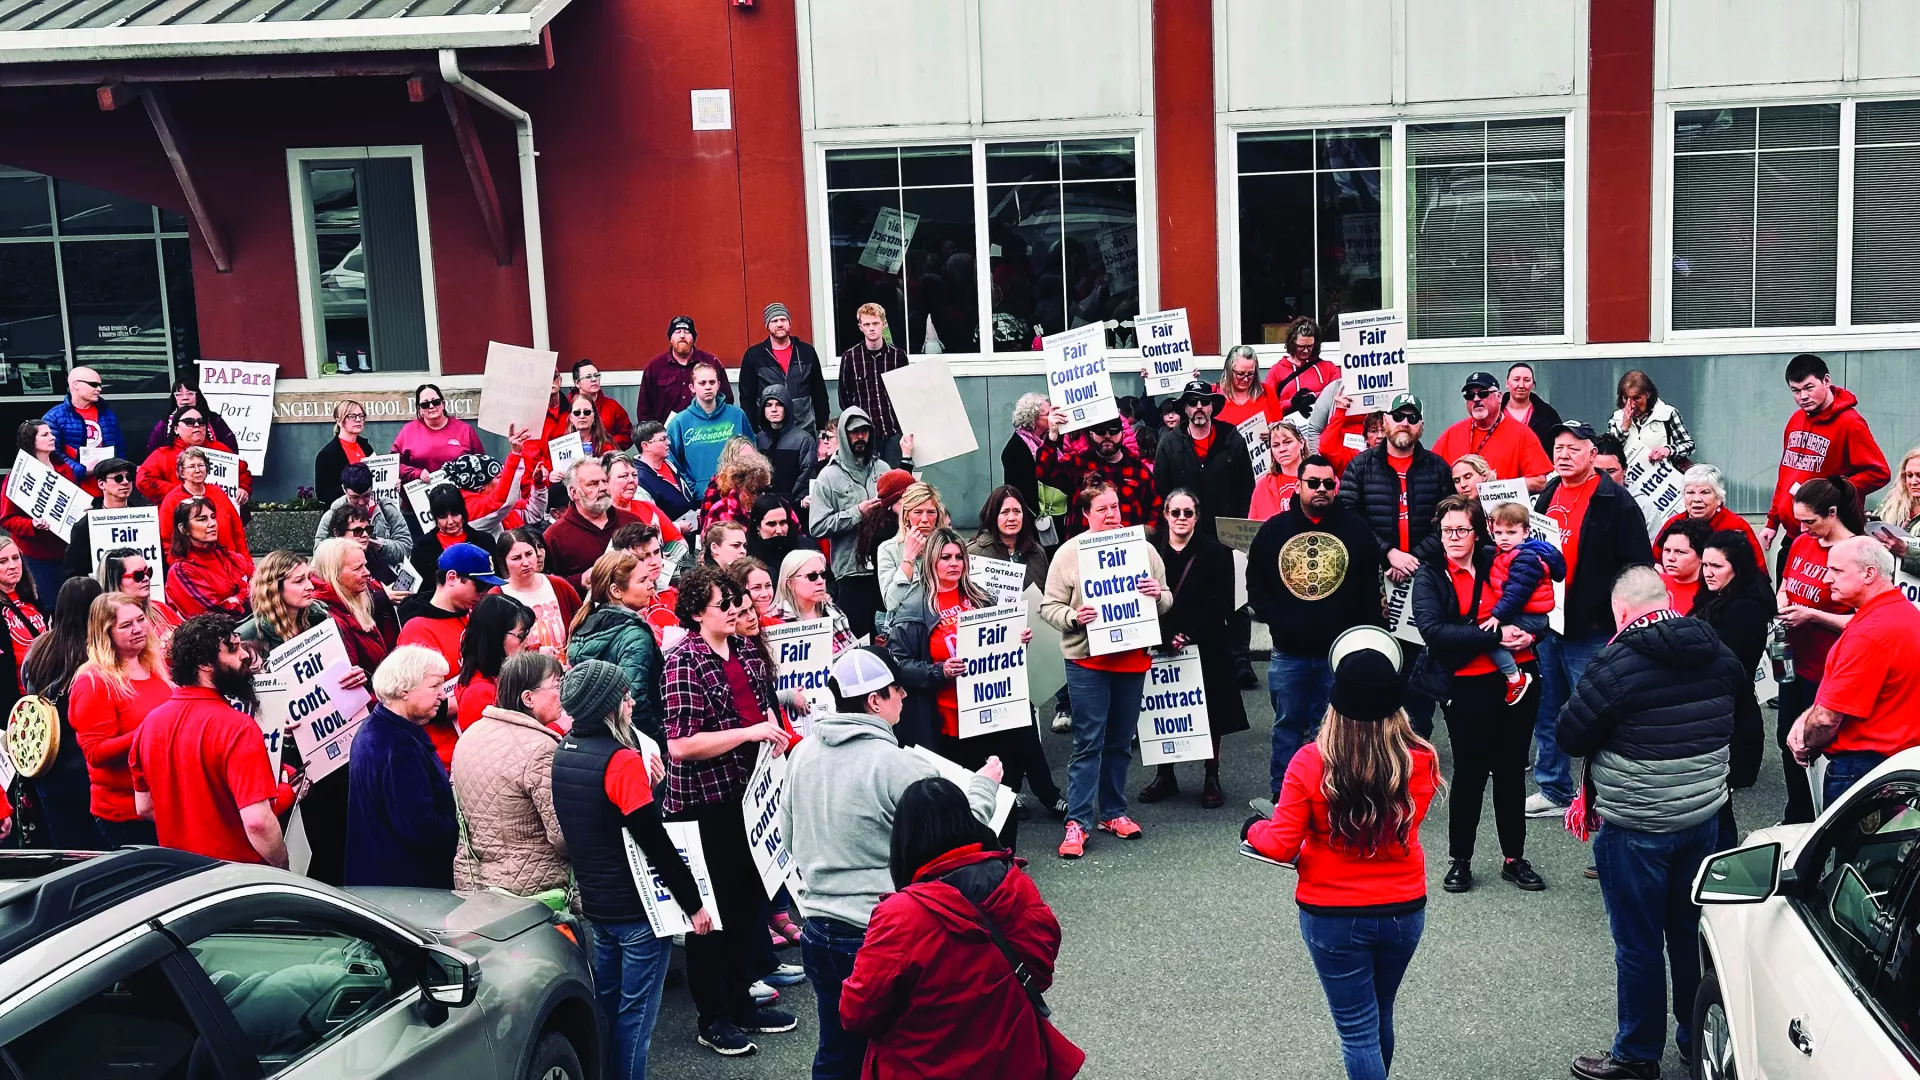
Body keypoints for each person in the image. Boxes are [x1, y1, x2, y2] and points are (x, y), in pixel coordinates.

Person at [781, 647, 1003, 1079]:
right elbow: (957, 837)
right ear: (873, 701)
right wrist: (984, 786)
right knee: (904, 1053)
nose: (904, 696)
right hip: (880, 933)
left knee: (837, 1053)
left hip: (819, 928)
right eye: (896, 690)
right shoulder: (892, 764)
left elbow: (788, 838)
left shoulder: (803, 753)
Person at [1558, 566, 1744, 1080]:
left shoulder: (1615, 662)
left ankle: (1638, 1055)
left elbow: (1571, 735)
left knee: (1638, 944)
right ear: (1667, 601)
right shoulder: (1718, 650)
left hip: (1636, 825)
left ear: (1622, 612)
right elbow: (1743, 721)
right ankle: (1694, 1038)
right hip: (1702, 814)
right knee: (1687, 934)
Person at [1244, 646, 1438, 1080]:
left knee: (1356, 1030)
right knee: (1379, 1011)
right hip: (1404, 907)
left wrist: (1250, 830)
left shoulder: (1311, 763)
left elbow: (1278, 844)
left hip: (1333, 912)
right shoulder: (1420, 759)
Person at [840, 775, 1083, 1080]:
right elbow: (1040, 971)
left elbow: (858, 1014)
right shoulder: (1016, 887)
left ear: (903, 839)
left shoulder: (900, 916)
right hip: (1011, 1061)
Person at [552, 657, 718, 1076]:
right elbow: (653, 841)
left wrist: (649, 787)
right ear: (607, 707)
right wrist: (693, 903)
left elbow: (601, 820)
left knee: (607, 1005)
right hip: (637, 910)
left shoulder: (564, 750)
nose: (631, 703)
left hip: (598, 904)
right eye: (624, 697)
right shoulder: (621, 760)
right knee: (637, 1018)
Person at [661, 565, 799, 1055]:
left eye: (738, 603)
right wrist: (750, 734)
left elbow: (761, 714)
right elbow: (679, 746)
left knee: (746, 906)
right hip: (704, 806)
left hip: (748, 798)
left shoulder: (745, 652)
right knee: (710, 916)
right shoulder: (684, 661)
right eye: (725, 605)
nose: (737, 611)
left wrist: (772, 738)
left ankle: (742, 1001)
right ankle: (712, 1016)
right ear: (699, 613)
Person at [1410, 495, 1546, 894]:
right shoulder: (1430, 573)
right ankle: (1460, 860)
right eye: (1447, 529)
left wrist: (1532, 632)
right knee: (1470, 771)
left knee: (1510, 769)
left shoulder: (1501, 557)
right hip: (1466, 683)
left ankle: (1513, 858)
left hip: (1519, 675)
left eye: (1462, 529)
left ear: (1477, 531)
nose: (1453, 537)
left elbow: (1540, 602)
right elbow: (1434, 632)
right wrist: (1494, 634)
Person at [1526, 420, 1653, 819]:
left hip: (1593, 629)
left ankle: (1605, 797)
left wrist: (1616, 616)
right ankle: (1553, 788)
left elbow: (1638, 566)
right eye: (1558, 447)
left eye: (1573, 448)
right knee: (1549, 710)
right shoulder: (1549, 492)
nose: (1563, 455)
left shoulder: (1615, 501)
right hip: (1550, 623)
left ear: (1592, 455)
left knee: (1598, 713)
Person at [1040, 483, 1171, 859]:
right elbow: (1049, 606)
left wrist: (1156, 596)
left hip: (1132, 658)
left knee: (1119, 740)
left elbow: (1166, 596)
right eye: (1102, 509)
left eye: (1115, 506)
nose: (1112, 514)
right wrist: (1072, 616)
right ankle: (1078, 821)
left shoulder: (1143, 550)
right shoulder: (1069, 554)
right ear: (1086, 515)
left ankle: (1112, 812)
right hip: (1087, 661)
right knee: (1088, 741)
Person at [1245, 452, 1386, 789]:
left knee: (1335, 728)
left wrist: (1363, 642)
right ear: (1299, 485)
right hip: (1289, 651)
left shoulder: (1356, 530)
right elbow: (1255, 584)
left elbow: (1370, 590)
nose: (1321, 489)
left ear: (1336, 487)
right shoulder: (1274, 530)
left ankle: (1330, 793)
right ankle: (1283, 795)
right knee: (1287, 726)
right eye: (1313, 483)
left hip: (1339, 653)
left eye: (1328, 483)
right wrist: (1277, 622)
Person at [128, 614, 292, 867]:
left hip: (182, 876)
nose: (245, 655)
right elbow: (258, 822)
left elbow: (145, 808)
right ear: (205, 664)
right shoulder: (237, 728)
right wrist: (283, 867)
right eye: (233, 649)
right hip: (238, 879)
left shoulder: (149, 724)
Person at [1337, 393, 1451, 736]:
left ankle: (1417, 741)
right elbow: (1348, 516)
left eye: (1412, 416)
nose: (1404, 422)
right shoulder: (1361, 466)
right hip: (1374, 579)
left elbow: (1447, 521)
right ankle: (1377, 738)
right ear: (1383, 422)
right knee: (1377, 658)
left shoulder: (1437, 467)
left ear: (1421, 425)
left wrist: (1414, 557)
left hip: (1423, 578)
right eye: (1397, 415)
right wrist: (1387, 552)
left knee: (1418, 662)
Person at [886, 527, 1036, 768]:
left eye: (959, 557)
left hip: (987, 712)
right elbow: (898, 665)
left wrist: (1015, 641)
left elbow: (997, 653)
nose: (954, 563)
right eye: (945, 558)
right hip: (944, 720)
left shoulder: (980, 598)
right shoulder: (914, 607)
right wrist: (939, 671)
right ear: (931, 561)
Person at [1787, 536, 1920, 806]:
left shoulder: (1869, 635)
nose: (1826, 579)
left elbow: (1826, 719)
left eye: (1836, 570)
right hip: (1897, 762)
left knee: (1849, 848)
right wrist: (1806, 717)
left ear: (1869, 573)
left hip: (1862, 769)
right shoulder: (1903, 613)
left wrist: (1806, 740)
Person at [1142, 488, 1247, 807]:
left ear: (1197, 516)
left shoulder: (1215, 551)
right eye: (1176, 512)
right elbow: (1144, 596)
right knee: (1165, 709)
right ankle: (1165, 775)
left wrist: (1189, 634)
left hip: (1206, 640)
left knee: (1210, 711)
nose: (1182, 519)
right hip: (1161, 640)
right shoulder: (1150, 551)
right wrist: (1165, 634)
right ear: (1166, 515)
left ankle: (1211, 775)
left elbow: (1222, 602)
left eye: (1188, 513)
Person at [1774, 477, 1864, 822]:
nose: (1803, 528)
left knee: (1820, 744)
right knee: (1787, 738)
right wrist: (1783, 601)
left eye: (1810, 521)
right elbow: (1786, 583)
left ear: (1832, 513)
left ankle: (1824, 819)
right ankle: (1797, 812)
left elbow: (1866, 620)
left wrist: (1813, 615)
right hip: (1794, 660)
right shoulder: (1801, 543)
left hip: (1830, 667)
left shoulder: (1857, 551)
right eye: (1799, 521)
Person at [451, 650, 568, 895]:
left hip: (476, 882)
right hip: (533, 887)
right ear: (528, 698)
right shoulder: (540, 748)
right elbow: (563, 837)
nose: (563, 694)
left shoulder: (471, 735)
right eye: (557, 685)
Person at [1762, 353, 1890, 571]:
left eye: (1809, 387)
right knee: (1785, 600)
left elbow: (1878, 472)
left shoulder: (1851, 423)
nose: (1803, 396)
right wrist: (1772, 522)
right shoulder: (1796, 419)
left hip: (1830, 537)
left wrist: (1833, 490)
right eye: (1795, 390)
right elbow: (1786, 474)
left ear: (1827, 381)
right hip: (1793, 535)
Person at [345, 645, 458, 888]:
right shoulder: (398, 746)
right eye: (434, 686)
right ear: (405, 688)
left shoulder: (375, 728)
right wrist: (459, 824)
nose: (442, 694)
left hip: (381, 878)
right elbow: (419, 827)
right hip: (409, 885)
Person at [69, 591, 169, 848]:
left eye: (140, 619)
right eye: (126, 625)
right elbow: (95, 753)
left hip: (165, 801)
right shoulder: (93, 681)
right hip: (126, 816)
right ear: (106, 633)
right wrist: (150, 730)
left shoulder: (154, 665)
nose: (138, 629)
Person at [1691, 529, 1770, 848]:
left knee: (1716, 802)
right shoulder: (1719, 595)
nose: (1708, 572)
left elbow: (1718, 659)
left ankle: (1720, 864)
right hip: (1719, 712)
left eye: (1717, 566)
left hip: (1729, 719)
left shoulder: (1745, 608)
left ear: (1736, 567)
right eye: (1705, 564)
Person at [398, 542, 500, 767]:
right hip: (446, 757)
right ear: (452, 577)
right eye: (480, 585)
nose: (485, 593)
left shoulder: (472, 615)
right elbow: (419, 705)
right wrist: (485, 696)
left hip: (480, 745)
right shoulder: (418, 629)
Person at [812, 409, 912, 637]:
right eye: (854, 432)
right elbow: (817, 526)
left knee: (889, 635)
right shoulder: (827, 477)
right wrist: (857, 512)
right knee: (858, 638)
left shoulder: (883, 468)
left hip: (886, 568)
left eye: (864, 431)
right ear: (843, 436)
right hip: (851, 572)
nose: (860, 437)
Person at [18, 577, 98, 849]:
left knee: (66, 849)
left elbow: (26, 689)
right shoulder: (97, 655)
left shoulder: (38, 649)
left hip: (48, 765)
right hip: (85, 767)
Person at [569, 546, 670, 750]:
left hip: (597, 741)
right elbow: (636, 700)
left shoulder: (586, 623)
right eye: (642, 581)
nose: (651, 585)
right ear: (616, 590)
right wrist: (659, 743)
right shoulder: (635, 635)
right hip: (633, 744)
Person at [1481, 500, 1564, 705]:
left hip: (1530, 616)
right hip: (1528, 614)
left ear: (1526, 532)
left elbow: (1517, 593)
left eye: (1511, 532)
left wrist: (1497, 615)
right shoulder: (1506, 554)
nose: (1504, 538)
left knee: (1490, 636)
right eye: (1498, 533)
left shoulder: (1526, 558)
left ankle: (1514, 678)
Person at [1034, 409, 1159, 534]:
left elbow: (1155, 509)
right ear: (1091, 434)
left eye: (1114, 431)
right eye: (1100, 431)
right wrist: (1053, 436)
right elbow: (1044, 472)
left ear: (1123, 433)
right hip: (1085, 546)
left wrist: (1144, 537)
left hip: (1126, 547)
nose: (1107, 436)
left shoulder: (1139, 470)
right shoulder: (1079, 464)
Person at [1431, 372, 1553, 491]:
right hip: (1461, 509)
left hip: (1502, 509)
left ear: (1499, 396)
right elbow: (1430, 475)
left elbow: (1540, 482)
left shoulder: (1521, 434)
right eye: (1470, 396)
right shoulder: (1452, 434)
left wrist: (1496, 487)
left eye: (1483, 394)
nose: (1476, 399)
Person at [3, 420, 77, 603]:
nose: (52, 437)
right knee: (47, 605)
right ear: (31, 441)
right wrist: (32, 524)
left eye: (51, 433)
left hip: (67, 553)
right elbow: (6, 519)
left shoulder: (65, 469)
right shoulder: (17, 475)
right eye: (45, 435)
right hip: (36, 557)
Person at [544, 458, 644, 586]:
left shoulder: (631, 521)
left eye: (605, 481)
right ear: (574, 493)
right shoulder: (554, 537)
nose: (603, 488)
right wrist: (580, 580)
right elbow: (546, 586)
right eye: (593, 484)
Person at [669, 360, 755, 506]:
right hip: (701, 500)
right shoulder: (680, 422)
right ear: (692, 387)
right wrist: (693, 489)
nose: (708, 387)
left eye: (712, 382)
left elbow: (752, 454)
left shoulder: (737, 415)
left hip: (738, 496)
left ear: (718, 385)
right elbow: (673, 464)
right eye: (702, 383)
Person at [310, 537, 399, 674]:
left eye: (365, 565)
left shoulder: (354, 602)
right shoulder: (328, 620)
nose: (367, 573)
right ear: (335, 574)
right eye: (358, 568)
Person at [740, 302, 830, 436]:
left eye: (783, 319)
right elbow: (747, 399)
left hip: (804, 428)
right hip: (768, 432)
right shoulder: (754, 356)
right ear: (767, 325)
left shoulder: (806, 352)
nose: (779, 324)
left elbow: (819, 393)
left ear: (789, 323)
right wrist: (752, 432)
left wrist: (822, 427)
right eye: (774, 321)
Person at [1652, 464, 1764, 571]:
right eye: (1690, 492)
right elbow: (1653, 559)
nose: (1696, 499)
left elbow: (1758, 571)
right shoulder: (1674, 524)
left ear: (1719, 497)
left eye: (1705, 492)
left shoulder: (1735, 526)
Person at [136, 405, 252, 506]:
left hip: (221, 518)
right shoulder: (162, 455)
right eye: (189, 422)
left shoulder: (220, 449)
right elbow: (143, 480)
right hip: (181, 518)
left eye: (201, 422)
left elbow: (242, 472)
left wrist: (243, 489)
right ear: (176, 428)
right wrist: (179, 492)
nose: (197, 425)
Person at [837, 302, 910, 462]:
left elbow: (907, 394)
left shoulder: (898, 356)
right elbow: (844, 398)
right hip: (865, 434)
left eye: (875, 323)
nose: (871, 328)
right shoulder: (850, 358)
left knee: (896, 479)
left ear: (883, 324)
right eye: (867, 324)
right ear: (860, 327)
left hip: (893, 431)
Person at [493, 526, 582, 656]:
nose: (526, 562)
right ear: (503, 562)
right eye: (516, 558)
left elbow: (582, 623)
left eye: (529, 554)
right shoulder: (496, 597)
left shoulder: (559, 585)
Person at [454, 594, 534, 732]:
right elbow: (508, 746)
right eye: (521, 636)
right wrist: (557, 727)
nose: (528, 643)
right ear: (495, 637)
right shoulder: (479, 694)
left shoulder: (500, 678)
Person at [314, 462, 413, 571]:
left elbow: (406, 548)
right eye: (355, 497)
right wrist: (345, 546)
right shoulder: (331, 516)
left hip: (385, 576)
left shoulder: (387, 510)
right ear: (344, 489)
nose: (361, 502)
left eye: (366, 496)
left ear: (372, 487)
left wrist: (379, 545)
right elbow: (319, 556)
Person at [60, 457, 147, 581]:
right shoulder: (85, 526)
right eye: (118, 478)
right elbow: (73, 573)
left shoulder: (146, 520)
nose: (125, 482)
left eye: (129, 477)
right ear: (101, 484)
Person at [639, 315, 735, 424]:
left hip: (705, 430)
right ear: (670, 339)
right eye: (677, 332)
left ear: (693, 338)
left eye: (687, 332)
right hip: (666, 435)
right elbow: (644, 408)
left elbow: (726, 400)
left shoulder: (711, 362)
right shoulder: (655, 366)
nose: (682, 336)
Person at [1001, 393, 1067, 547]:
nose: (1052, 416)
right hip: (1035, 524)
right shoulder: (1015, 449)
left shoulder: (1048, 440)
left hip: (1056, 517)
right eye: (1047, 413)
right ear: (1033, 420)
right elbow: (1022, 491)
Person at [168, 498, 252, 618]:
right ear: (183, 529)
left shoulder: (232, 557)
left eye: (213, 517)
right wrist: (247, 592)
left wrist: (237, 598)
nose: (212, 523)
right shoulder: (181, 571)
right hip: (216, 634)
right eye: (202, 519)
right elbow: (212, 617)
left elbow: (262, 586)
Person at [156, 446, 247, 555]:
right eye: (191, 466)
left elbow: (237, 531)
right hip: (193, 566)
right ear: (181, 472)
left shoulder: (218, 492)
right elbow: (166, 541)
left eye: (201, 465)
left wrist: (245, 562)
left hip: (229, 561)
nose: (198, 470)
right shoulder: (171, 500)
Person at [43, 365, 121, 485]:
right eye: (93, 384)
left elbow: (120, 447)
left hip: (107, 487)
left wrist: (120, 472)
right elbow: (52, 454)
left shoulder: (106, 413)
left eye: (100, 385)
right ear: (76, 385)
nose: (99, 389)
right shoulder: (54, 417)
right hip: (74, 487)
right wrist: (82, 470)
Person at [877, 482, 946, 617]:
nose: (925, 519)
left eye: (931, 512)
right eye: (918, 512)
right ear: (906, 515)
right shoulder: (888, 549)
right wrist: (909, 557)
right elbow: (892, 603)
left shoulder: (948, 545)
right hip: (909, 625)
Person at [97, 546, 184, 652]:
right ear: (115, 580)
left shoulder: (160, 609)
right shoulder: (108, 623)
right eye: (138, 575)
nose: (146, 578)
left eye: (148, 572)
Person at [391, 382, 483, 482]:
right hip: (420, 493)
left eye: (435, 402)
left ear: (443, 404)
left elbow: (481, 462)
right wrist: (417, 473)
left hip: (460, 493)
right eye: (425, 404)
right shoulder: (408, 431)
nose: (431, 406)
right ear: (420, 409)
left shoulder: (465, 430)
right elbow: (394, 464)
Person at [1605, 370, 1694, 471]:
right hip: (1628, 481)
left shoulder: (1667, 414)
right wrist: (1624, 428)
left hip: (1662, 478)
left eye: (1637, 398)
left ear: (1648, 394)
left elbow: (1688, 445)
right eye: (1626, 398)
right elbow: (1608, 454)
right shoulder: (1616, 418)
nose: (1632, 405)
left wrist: (1668, 450)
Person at [774, 548, 857, 655]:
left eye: (823, 575)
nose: (821, 581)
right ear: (790, 583)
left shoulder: (832, 610)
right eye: (811, 576)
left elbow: (853, 648)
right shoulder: (775, 621)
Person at [144, 378, 235, 458]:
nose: (185, 398)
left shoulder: (214, 420)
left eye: (190, 394)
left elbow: (232, 452)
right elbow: (151, 453)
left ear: (197, 397)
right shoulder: (165, 424)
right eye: (179, 394)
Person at [699, 437, 774, 534]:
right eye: (742, 459)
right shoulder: (715, 489)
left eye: (751, 458)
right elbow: (706, 530)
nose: (748, 463)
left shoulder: (763, 487)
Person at [1262, 317, 1341, 406]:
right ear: (1292, 343)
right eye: (1301, 346)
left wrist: (1313, 396)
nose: (1306, 351)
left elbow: (1339, 391)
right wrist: (1291, 403)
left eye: (1310, 346)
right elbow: (1267, 405)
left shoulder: (1328, 368)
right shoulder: (1276, 371)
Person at [634, 420, 699, 525]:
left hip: (690, 532)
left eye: (667, 438)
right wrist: (677, 527)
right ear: (645, 446)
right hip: (668, 539)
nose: (668, 442)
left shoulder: (669, 465)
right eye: (662, 439)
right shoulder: (639, 478)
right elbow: (649, 520)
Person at [1871, 445, 1920, 578]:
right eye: (1909, 475)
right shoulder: (1891, 504)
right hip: (1887, 584)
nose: (1913, 481)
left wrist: (1907, 552)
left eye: (1919, 475)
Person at [313, 399, 374, 504]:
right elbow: (323, 494)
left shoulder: (366, 447)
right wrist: (352, 489)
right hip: (343, 515)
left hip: (368, 512)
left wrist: (391, 483)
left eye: (361, 416)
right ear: (339, 421)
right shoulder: (328, 454)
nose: (358, 420)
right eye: (352, 416)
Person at [568, 358, 636, 451]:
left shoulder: (612, 406)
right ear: (577, 383)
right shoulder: (567, 407)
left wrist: (605, 444)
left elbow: (628, 434)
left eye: (596, 376)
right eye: (588, 377)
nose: (594, 379)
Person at [1501, 361, 1563, 453]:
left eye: (1526, 380)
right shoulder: (1494, 413)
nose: (1521, 385)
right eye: (1516, 379)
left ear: (1533, 385)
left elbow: (1558, 447)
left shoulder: (1548, 415)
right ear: (1507, 383)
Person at [1249, 420, 1305, 520]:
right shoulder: (1262, 486)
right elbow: (1252, 527)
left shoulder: (1322, 477)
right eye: (1275, 445)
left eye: (1287, 442)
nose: (1282, 449)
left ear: (1301, 443)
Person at [1657, 517, 1711, 613]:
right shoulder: (1654, 584)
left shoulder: (1712, 591)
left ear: (1702, 556)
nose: (1670, 558)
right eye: (1667, 550)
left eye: (1680, 552)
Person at [562, 387, 614, 459]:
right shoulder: (562, 446)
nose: (582, 416)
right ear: (570, 417)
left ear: (594, 416)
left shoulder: (607, 447)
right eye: (577, 413)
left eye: (587, 412)